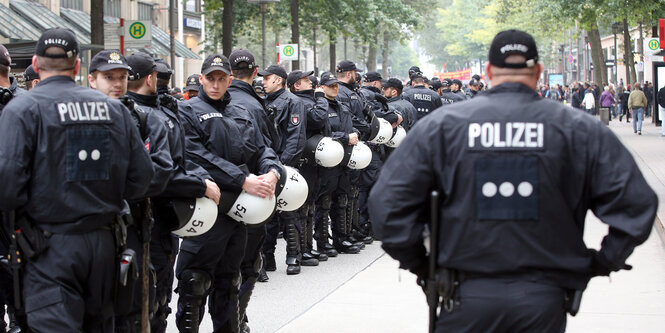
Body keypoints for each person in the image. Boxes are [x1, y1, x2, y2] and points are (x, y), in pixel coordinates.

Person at [369, 29, 657, 333]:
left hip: (464, 294)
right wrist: (599, 263)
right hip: (543, 299)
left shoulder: (444, 127)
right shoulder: (577, 129)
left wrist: (420, 263)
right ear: (538, 71)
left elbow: (386, 204)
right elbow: (636, 204)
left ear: (490, 71)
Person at [0, 27, 154, 332]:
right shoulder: (114, 110)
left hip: (48, 248)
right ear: (78, 67)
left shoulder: (23, 109)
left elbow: (7, 187)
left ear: (35, 61)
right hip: (104, 244)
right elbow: (142, 180)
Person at [175, 54, 282, 333]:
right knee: (194, 282)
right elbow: (196, 155)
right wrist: (242, 179)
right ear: (201, 79)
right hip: (208, 206)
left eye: (222, 78)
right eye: (210, 78)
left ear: (230, 80)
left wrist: (272, 171)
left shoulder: (241, 111)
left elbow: (262, 148)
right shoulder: (187, 110)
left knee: (230, 282)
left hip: (240, 209)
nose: (216, 83)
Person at [226, 49, 280, 332]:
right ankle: (238, 320)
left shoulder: (213, 103)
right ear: (255, 72)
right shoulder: (256, 105)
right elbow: (269, 147)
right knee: (247, 263)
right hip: (252, 192)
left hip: (217, 192)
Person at [263, 65, 311, 275]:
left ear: (279, 80)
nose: (263, 81)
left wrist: (282, 166)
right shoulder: (263, 102)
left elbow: (296, 137)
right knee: (267, 213)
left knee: (290, 212)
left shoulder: (293, 101)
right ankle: (268, 257)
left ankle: (294, 255)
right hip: (268, 164)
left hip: (285, 164)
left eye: (267, 78)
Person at [291, 70, 338, 259]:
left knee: (311, 203)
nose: (310, 82)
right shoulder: (301, 101)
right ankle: (301, 249)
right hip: (305, 158)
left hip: (315, 157)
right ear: (296, 85)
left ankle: (308, 246)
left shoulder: (307, 100)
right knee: (303, 205)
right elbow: (317, 118)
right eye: (304, 80)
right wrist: (320, 98)